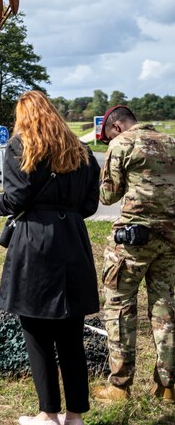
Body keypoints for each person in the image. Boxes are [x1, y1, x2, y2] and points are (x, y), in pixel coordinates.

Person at [0, 91, 100, 425]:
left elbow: (16, 198)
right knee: (71, 334)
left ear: (24, 118)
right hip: (74, 241)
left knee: (36, 330)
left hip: (35, 242)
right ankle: (75, 417)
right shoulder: (81, 150)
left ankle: (48, 415)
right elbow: (90, 206)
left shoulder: (22, 146)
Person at [93, 105, 174, 404]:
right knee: (166, 310)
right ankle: (168, 386)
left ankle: (119, 386)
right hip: (171, 240)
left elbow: (108, 194)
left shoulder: (122, 144)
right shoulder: (172, 141)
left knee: (119, 307)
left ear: (116, 127)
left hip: (133, 242)